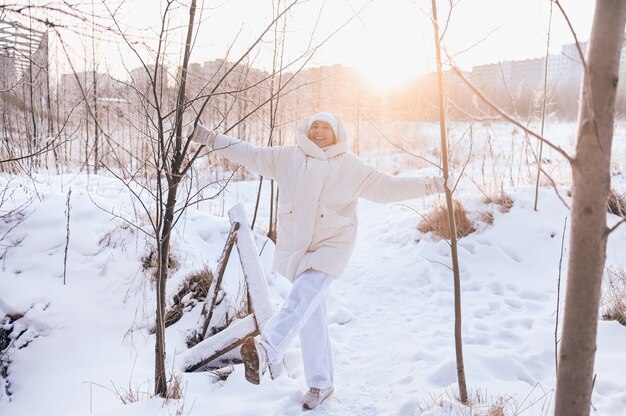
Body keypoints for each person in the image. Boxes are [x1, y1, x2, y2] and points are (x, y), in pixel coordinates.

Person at [190, 112, 443, 410]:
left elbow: (388, 189)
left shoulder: (351, 166)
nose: (320, 131)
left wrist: (434, 184)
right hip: (299, 247)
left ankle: (267, 347)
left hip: (332, 245)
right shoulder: (288, 158)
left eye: (326, 127)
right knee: (311, 314)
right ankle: (321, 384)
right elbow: (247, 152)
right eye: (315, 126)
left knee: (305, 293)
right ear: (306, 131)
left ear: (338, 134)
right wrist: (207, 137)